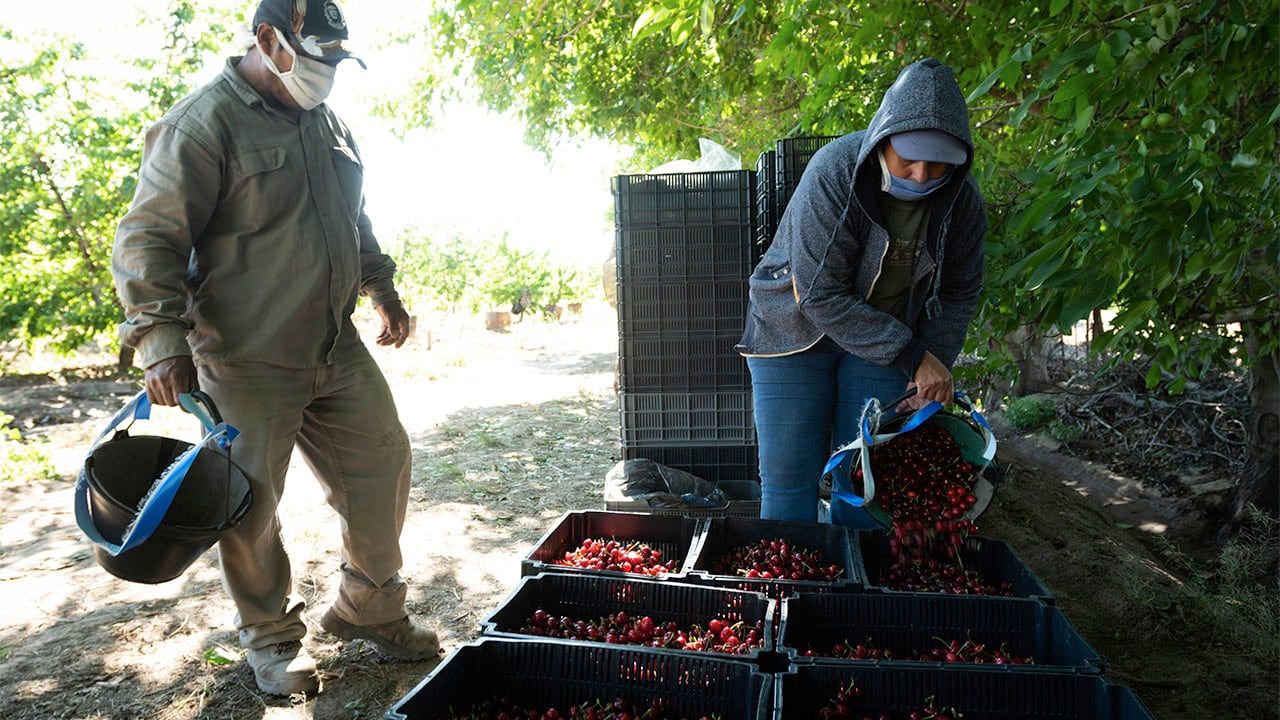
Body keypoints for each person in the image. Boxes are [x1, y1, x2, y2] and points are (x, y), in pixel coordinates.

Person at [111, 0, 439, 696]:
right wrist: (160, 340)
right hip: (244, 355)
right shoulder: (201, 124)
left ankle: (370, 608)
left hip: (334, 344)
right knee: (250, 504)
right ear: (268, 39)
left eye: (336, 62)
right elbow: (148, 237)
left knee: (383, 461)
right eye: (318, 58)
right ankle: (270, 638)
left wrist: (382, 290)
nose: (327, 76)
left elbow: (353, 219)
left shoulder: (328, 123)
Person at [737, 58, 987, 524]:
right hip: (793, 333)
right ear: (882, 141)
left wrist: (931, 363)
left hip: (884, 340)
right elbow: (818, 294)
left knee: (865, 482)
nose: (921, 175)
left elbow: (959, 292)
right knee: (790, 479)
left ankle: (853, 571)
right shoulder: (835, 172)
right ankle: (794, 569)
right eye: (908, 159)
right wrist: (913, 356)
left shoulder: (964, 202)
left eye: (937, 164)